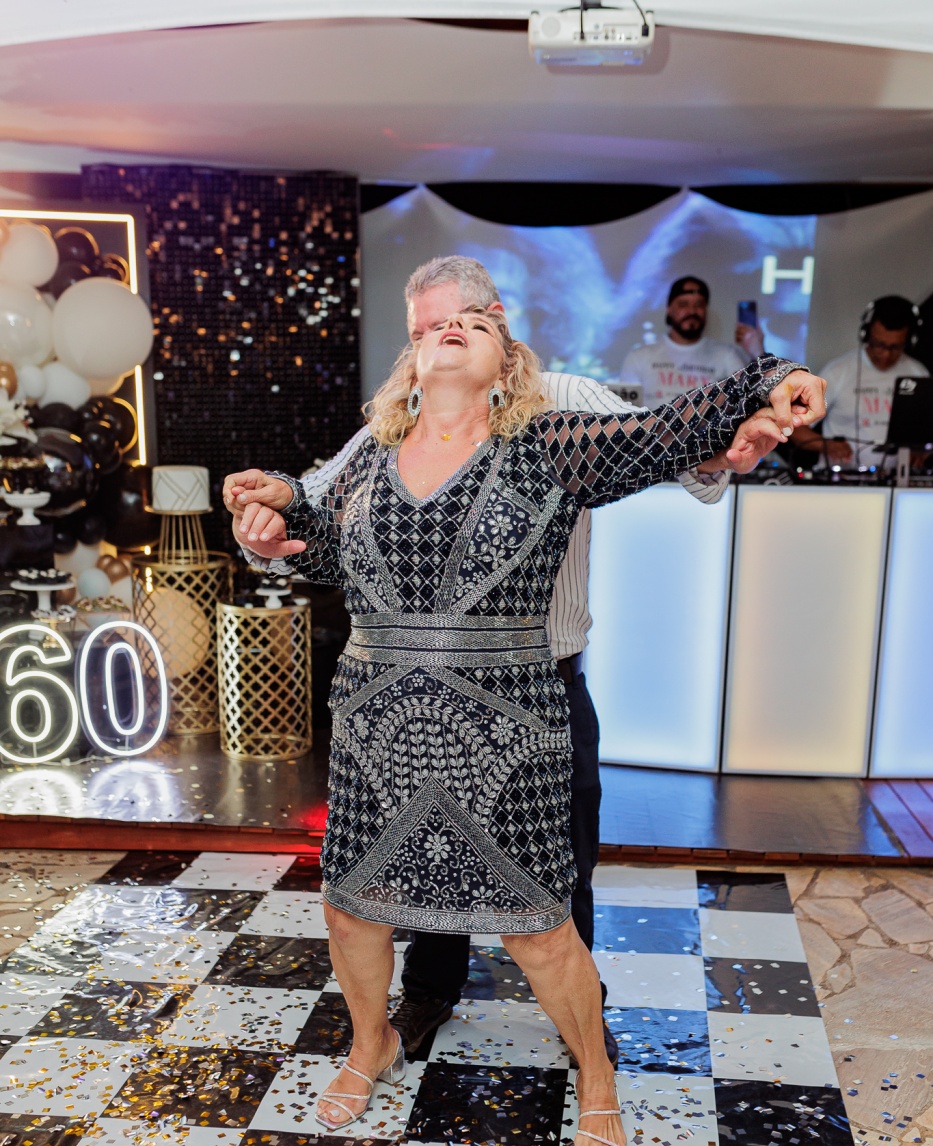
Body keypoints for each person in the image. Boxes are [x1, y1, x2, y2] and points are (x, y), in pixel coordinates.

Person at [224, 294, 824, 1146]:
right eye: (435, 327)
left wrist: (770, 378)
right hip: (374, 722)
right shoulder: (370, 458)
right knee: (352, 908)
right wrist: (268, 523)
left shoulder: (548, 442)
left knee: (541, 926)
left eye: (474, 324)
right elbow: (317, 545)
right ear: (411, 362)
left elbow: (667, 431)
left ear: (506, 359)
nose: (451, 329)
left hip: (507, 727)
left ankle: (595, 1074)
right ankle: (371, 1041)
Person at [269, 257, 735, 1072]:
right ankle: (428, 995)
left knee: (561, 872)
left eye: (454, 322)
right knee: (424, 866)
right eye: (421, 332)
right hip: (408, 696)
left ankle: (581, 1024)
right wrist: (271, 505)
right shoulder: (397, 424)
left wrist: (727, 441)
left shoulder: (565, 402)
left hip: (537, 685)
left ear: (497, 322)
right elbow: (315, 501)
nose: (436, 339)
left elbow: (676, 455)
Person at [791, 295, 928, 472]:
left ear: (910, 341)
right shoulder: (838, 372)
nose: (886, 354)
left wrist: (921, 451)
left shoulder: (918, 373)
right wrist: (827, 445)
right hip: (842, 479)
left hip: (898, 480)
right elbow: (796, 427)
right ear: (866, 334)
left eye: (895, 347)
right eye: (878, 344)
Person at [621, 275, 763, 410]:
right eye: (683, 304)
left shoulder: (726, 355)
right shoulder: (639, 357)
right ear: (669, 310)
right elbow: (625, 413)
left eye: (699, 304)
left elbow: (752, 399)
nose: (692, 311)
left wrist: (757, 352)